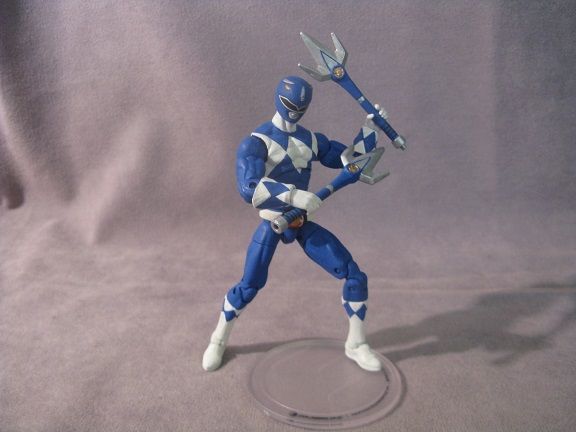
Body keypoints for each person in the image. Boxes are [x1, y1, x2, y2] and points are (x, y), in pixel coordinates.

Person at [202, 76, 385, 372]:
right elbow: (249, 187)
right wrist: (293, 195)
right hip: (273, 223)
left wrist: (370, 128)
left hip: (300, 223)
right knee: (249, 285)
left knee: (354, 275)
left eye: (301, 107)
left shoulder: (310, 140)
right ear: (278, 99)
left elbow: (351, 160)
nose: (294, 111)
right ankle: (218, 339)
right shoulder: (257, 142)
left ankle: (356, 343)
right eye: (290, 104)